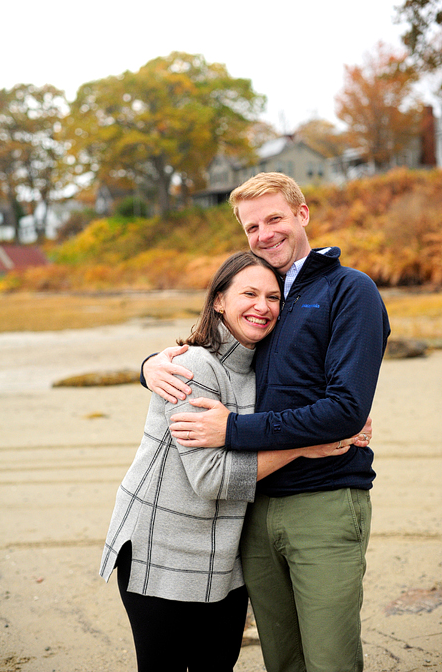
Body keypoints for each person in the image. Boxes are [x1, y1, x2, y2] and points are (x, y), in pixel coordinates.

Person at [142, 172, 390, 672]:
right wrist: (148, 365)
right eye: (251, 227)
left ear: (302, 214)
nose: (264, 234)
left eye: (274, 218)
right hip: (252, 510)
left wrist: (233, 429)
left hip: (325, 502)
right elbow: (209, 355)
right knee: (283, 661)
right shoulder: (266, 296)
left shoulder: (350, 289)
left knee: (330, 660)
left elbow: (345, 410)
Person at [101, 251, 366, 671]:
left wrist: (337, 421)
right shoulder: (190, 366)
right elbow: (210, 478)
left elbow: (310, 408)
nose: (262, 306)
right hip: (161, 546)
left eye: (273, 297)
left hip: (224, 555)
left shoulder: (261, 370)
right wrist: (301, 446)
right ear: (219, 300)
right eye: (249, 293)